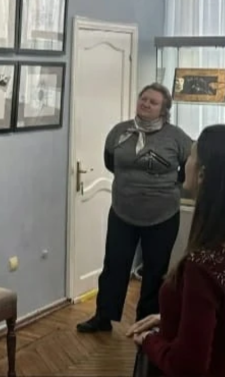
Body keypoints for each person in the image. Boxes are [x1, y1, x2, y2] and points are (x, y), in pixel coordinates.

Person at [127, 124, 225, 377]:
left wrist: (149, 340)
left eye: (191, 156)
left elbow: (188, 366)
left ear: (203, 174)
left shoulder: (204, 266)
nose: (185, 162)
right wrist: (171, 319)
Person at [76, 83, 193, 333]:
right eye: (143, 99)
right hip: (123, 212)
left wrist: (165, 185)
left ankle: (145, 324)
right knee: (114, 266)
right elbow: (110, 162)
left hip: (162, 215)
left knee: (155, 271)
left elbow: (189, 168)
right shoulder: (120, 132)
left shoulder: (176, 137)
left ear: (164, 110)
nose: (146, 104)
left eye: (153, 102)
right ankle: (104, 316)